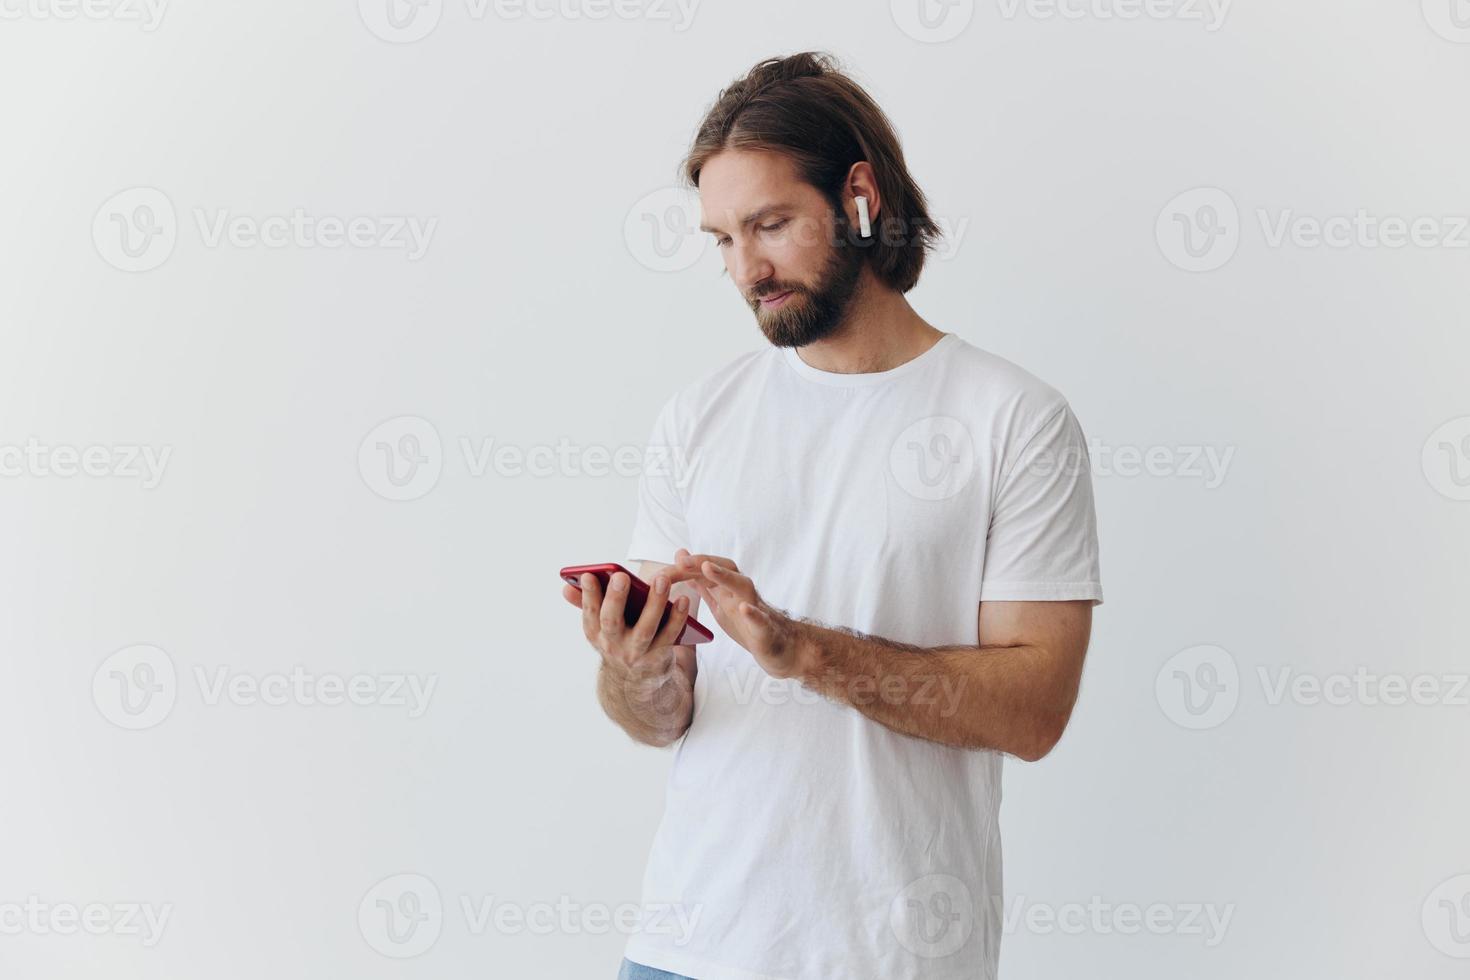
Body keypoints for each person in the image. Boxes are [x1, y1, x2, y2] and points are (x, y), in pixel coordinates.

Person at [562, 51, 1104, 980]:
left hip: (892, 957)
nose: (746, 269)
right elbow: (657, 719)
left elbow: (1035, 711)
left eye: (770, 224)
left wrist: (800, 650)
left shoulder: (1013, 418)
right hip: (684, 950)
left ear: (859, 197)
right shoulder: (698, 417)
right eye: (723, 239)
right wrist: (637, 669)